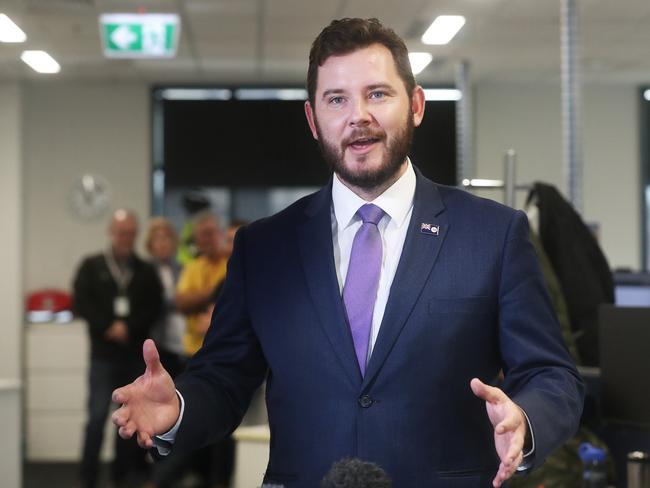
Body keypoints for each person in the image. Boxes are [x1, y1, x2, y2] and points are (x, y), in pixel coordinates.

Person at [112, 18, 584, 487]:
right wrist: (179, 407)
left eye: (377, 93)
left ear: (416, 105)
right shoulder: (265, 247)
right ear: (313, 120)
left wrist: (525, 418)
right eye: (336, 99)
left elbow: (551, 373)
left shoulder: (492, 234)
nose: (358, 115)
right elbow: (224, 378)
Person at [73, 209, 162, 488]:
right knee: (97, 417)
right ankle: (87, 479)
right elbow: (81, 303)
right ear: (112, 232)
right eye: (122, 232)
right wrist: (108, 326)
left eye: (132, 233)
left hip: (132, 357)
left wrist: (128, 327)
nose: (127, 237)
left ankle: (121, 478)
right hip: (103, 356)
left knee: (129, 421)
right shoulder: (91, 266)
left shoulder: (145, 270)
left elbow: (153, 307)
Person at [146, 217, 186, 377]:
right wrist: (180, 302)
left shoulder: (182, 268)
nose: (163, 243)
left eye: (167, 238)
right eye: (158, 239)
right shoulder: (145, 271)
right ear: (150, 244)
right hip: (159, 338)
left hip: (182, 339)